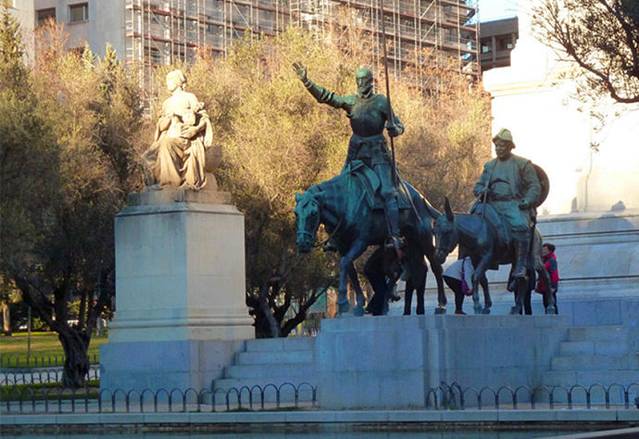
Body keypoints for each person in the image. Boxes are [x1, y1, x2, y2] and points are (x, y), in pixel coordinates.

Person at [292, 62, 405, 255]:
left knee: (387, 192)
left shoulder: (381, 102)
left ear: (370, 81)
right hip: (356, 152)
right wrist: (307, 82)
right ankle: (335, 237)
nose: (361, 84)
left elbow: (399, 125)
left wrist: (395, 129)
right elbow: (327, 97)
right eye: (358, 80)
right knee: (341, 189)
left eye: (364, 80)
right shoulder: (351, 100)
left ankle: (394, 235)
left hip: (377, 153)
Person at [473, 128, 541, 280]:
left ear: (510, 147)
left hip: (513, 204)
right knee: (471, 223)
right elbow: (478, 186)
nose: (498, 149)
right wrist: (481, 190)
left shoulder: (523, 164)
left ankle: (521, 264)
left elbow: (534, 186)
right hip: (491, 204)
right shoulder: (489, 166)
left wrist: (527, 200)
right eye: (496, 146)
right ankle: (469, 259)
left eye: (502, 146)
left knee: (520, 226)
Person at [142, 69, 213, 190]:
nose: (167, 83)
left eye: (170, 80)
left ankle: (170, 183)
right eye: (167, 80)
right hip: (168, 134)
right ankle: (155, 184)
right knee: (147, 157)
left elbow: (204, 118)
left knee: (167, 144)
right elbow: (161, 126)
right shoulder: (167, 103)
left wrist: (195, 129)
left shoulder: (189, 97)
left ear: (178, 81)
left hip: (185, 137)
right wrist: (168, 120)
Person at [536, 243, 560, 312]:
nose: (543, 251)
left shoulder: (551, 260)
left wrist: (554, 287)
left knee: (551, 304)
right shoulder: (544, 260)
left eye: (545, 250)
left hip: (550, 286)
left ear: (550, 251)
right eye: (542, 249)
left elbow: (554, 274)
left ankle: (554, 317)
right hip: (545, 286)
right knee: (546, 303)